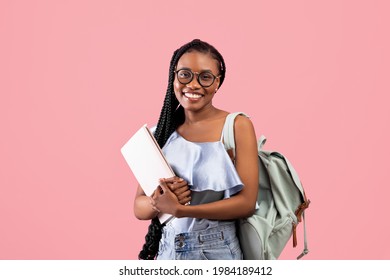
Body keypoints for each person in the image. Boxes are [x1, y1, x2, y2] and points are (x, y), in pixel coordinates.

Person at [134, 39, 259, 260]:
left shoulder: (237, 126)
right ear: (174, 77)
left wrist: (181, 209)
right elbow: (138, 207)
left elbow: (246, 203)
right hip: (167, 250)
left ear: (217, 83)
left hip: (217, 250)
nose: (193, 84)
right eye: (184, 74)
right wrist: (159, 200)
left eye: (205, 77)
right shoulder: (161, 132)